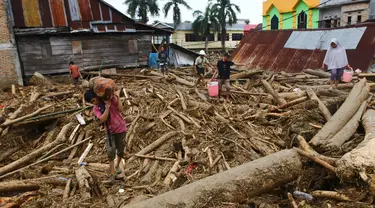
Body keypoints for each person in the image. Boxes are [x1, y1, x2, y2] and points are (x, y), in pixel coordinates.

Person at [84, 89, 126, 182]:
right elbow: (102, 119)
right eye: (92, 102)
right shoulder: (96, 108)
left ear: (97, 96)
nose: (94, 103)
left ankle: (117, 166)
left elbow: (120, 109)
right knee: (111, 152)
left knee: (121, 150)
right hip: (110, 131)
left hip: (121, 128)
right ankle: (112, 172)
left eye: (94, 100)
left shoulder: (111, 99)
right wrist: (107, 108)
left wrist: (118, 97)